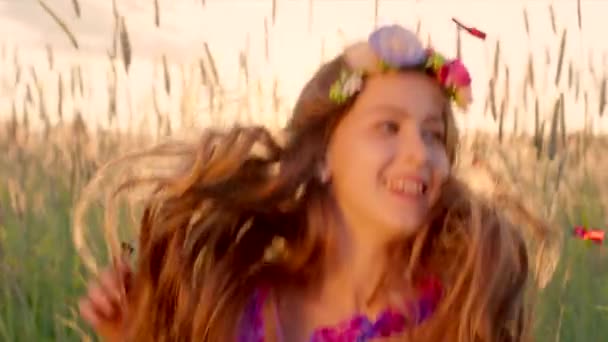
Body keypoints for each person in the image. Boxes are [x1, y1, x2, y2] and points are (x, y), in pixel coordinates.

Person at [76, 24, 556, 341]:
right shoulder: (245, 303)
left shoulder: (449, 315)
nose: (421, 153)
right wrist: (135, 332)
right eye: (389, 127)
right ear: (323, 156)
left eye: (434, 135)